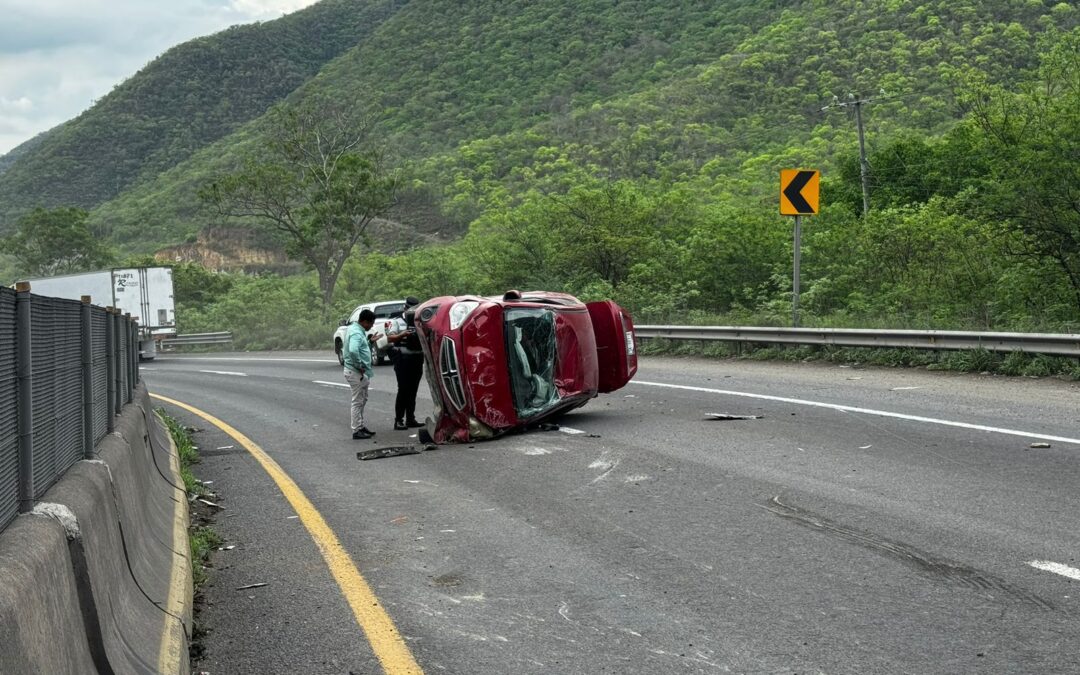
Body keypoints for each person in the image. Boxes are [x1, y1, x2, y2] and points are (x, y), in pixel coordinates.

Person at [386, 296, 426, 430]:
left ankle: (410, 418)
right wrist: (403, 335)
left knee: (413, 390)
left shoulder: (420, 320)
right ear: (405, 308)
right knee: (403, 389)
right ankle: (398, 420)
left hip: (417, 358)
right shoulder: (396, 321)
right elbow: (390, 338)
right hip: (402, 359)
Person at [343, 309, 379, 439]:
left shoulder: (356, 330)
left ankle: (360, 426)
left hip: (358, 372)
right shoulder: (356, 333)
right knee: (358, 401)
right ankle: (356, 429)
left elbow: (360, 348)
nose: (371, 326)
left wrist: (370, 342)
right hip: (355, 371)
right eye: (370, 323)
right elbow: (353, 350)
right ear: (364, 322)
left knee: (363, 399)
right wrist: (360, 365)